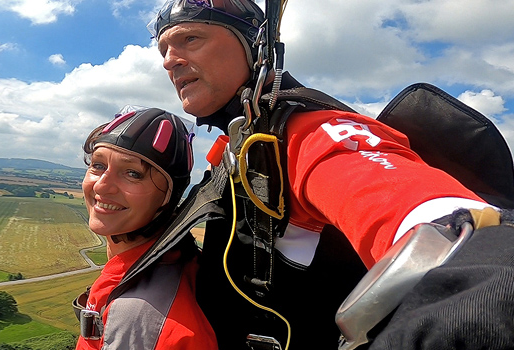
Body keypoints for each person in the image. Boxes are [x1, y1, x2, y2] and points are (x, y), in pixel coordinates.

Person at [115, 0, 514, 349]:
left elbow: (433, 217)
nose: (169, 59)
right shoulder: (239, 148)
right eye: (164, 49)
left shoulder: (312, 135)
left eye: (190, 40)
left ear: (256, 48)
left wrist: (475, 289)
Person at [72, 105, 217, 349]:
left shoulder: (140, 317)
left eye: (132, 173)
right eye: (98, 165)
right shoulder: (169, 263)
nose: (101, 186)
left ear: (167, 197)